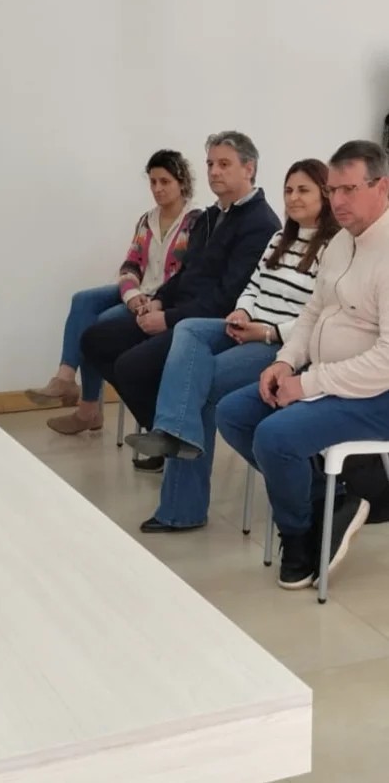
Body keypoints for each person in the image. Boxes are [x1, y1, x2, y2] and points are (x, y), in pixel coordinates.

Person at [125, 159, 338, 530]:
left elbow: (318, 320)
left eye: (303, 190)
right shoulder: (279, 238)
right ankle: (173, 432)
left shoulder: (334, 248)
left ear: (325, 194)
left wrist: (267, 331)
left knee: (200, 384)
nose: (293, 197)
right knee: (189, 329)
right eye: (288, 190)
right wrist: (242, 312)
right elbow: (253, 286)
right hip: (248, 326)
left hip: (282, 346)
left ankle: (181, 509)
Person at [217, 140, 389, 589]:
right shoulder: (341, 244)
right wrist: (285, 362)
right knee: (233, 413)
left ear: (383, 187)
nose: (338, 201)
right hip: (329, 380)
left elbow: (386, 361)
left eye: (349, 189)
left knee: (276, 437)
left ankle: (297, 539)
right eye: (333, 190)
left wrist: (309, 385)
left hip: (377, 394)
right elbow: (313, 313)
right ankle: (327, 503)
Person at [80, 131, 281, 471]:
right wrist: (158, 302)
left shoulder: (260, 224)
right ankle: (168, 428)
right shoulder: (209, 217)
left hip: (209, 324)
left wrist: (168, 319)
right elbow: (185, 274)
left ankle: (174, 434)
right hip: (178, 311)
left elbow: (228, 298)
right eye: (210, 164)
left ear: (249, 168)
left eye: (224, 164)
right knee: (95, 339)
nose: (214, 171)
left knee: (132, 366)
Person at [27, 150, 200, 435]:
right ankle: (65, 377)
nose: (157, 189)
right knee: (82, 300)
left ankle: (88, 410)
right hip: (139, 292)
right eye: (153, 182)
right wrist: (131, 296)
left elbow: (189, 275)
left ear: (181, 182)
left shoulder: (196, 222)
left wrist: (153, 301)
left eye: (165, 182)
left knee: (99, 325)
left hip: (163, 301)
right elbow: (130, 265)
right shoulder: (147, 220)